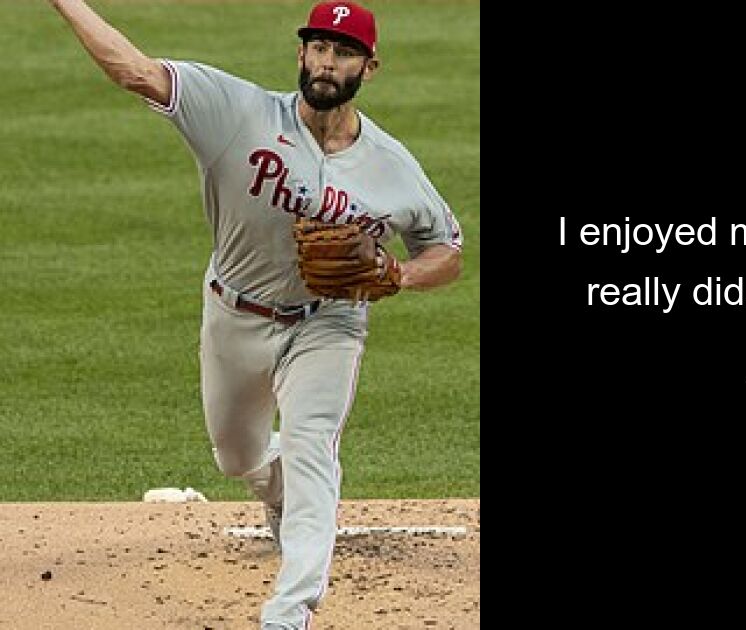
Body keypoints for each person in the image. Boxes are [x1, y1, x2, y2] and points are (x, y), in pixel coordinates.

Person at [46, 1, 464, 627]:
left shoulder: (392, 165)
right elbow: (133, 70)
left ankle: (288, 613)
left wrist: (399, 274)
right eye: (318, 47)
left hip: (329, 323)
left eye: (344, 51)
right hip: (233, 315)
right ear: (300, 53)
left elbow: (447, 249)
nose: (327, 62)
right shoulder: (235, 113)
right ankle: (276, 491)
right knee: (236, 457)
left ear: (369, 67)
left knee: (312, 449)